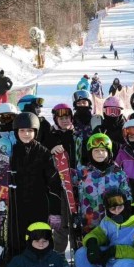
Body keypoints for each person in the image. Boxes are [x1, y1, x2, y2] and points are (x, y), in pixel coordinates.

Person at [0, 113, 64, 267]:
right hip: (15, 210)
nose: (26, 134)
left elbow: (54, 185)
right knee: (16, 246)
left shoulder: (44, 153)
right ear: (16, 132)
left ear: (35, 132)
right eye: (22, 131)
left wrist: (55, 212)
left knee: (38, 243)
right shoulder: (8, 153)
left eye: (29, 131)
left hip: (38, 208)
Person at [41, 103, 79, 254]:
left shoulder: (77, 135)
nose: (65, 120)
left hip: (77, 184)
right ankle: (59, 253)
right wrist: (50, 150)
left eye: (67, 117)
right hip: (58, 184)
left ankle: (78, 249)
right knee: (61, 220)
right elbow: (41, 153)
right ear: (55, 119)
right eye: (61, 118)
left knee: (76, 219)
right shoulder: (50, 136)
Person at [76, 133, 132, 235]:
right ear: (90, 153)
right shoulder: (82, 173)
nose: (100, 153)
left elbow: (127, 197)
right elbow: (63, 177)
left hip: (113, 225)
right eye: (96, 150)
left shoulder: (118, 174)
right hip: (89, 225)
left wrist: (124, 215)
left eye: (103, 150)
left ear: (109, 152)